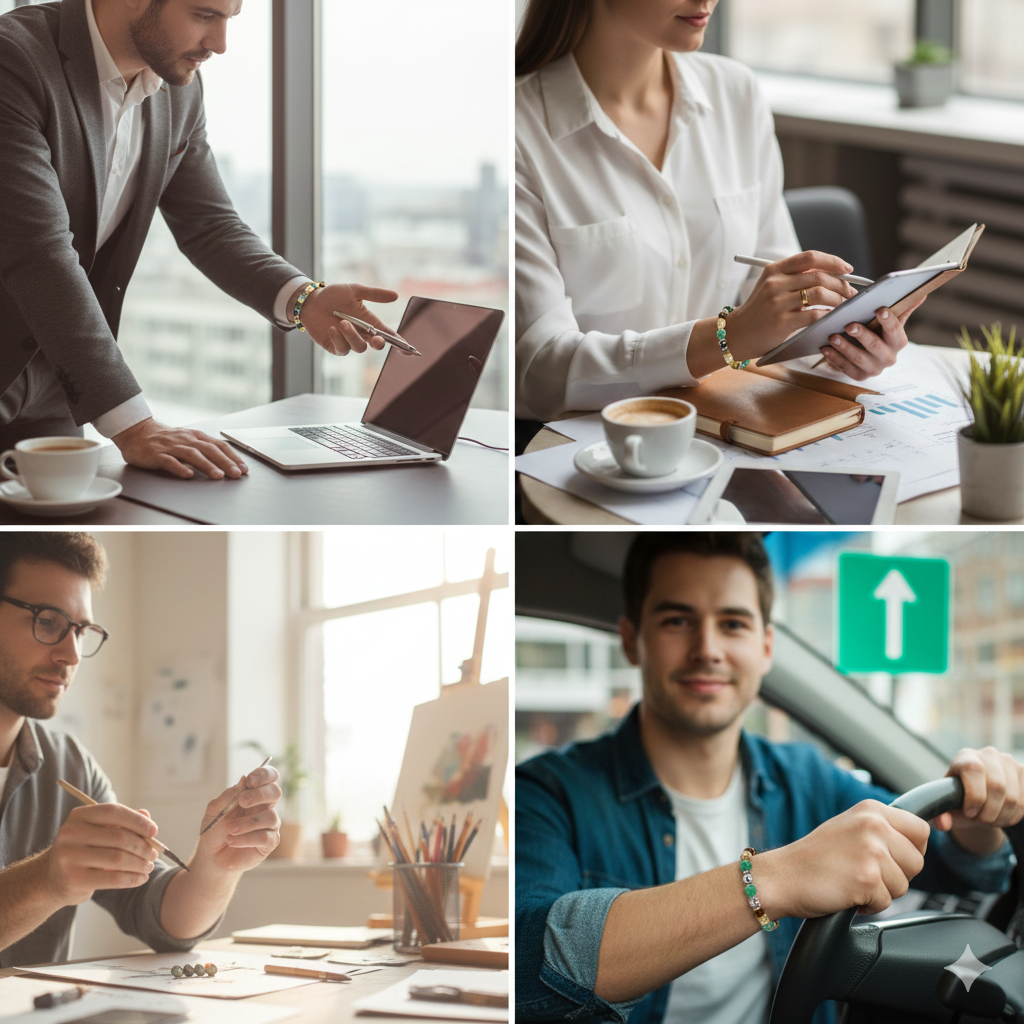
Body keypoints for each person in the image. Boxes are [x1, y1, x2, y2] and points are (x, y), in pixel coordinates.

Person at [516, 533, 1022, 1024]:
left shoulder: (809, 781)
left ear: (765, 646)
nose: (707, 648)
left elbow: (954, 862)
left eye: (732, 624)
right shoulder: (546, 792)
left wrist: (982, 810)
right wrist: (777, 878)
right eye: (677, 620)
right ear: (631, 639)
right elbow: (526, 966)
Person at [0, 0, 398, 480]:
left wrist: (304, 299)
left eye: (230, 18)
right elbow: (38, 252)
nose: (221, 45)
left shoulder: (177, 89)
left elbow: (210, 225)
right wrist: (134, 425)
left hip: (59, 379)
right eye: (204, 15)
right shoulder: (13, 59)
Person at [515, 0, 926, 421]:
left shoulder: (735, 93)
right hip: (581, 447)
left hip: (722, 425)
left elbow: (782, 305)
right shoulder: (518, 128)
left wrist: (841, 346)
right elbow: (539, 370)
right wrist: (729, 337)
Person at [0, 532, 283, 968]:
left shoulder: (70, 765)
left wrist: (214, 867)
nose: (72, 654)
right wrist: (44, 881)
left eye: (81, 630)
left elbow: (155, 915)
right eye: (49, 621)